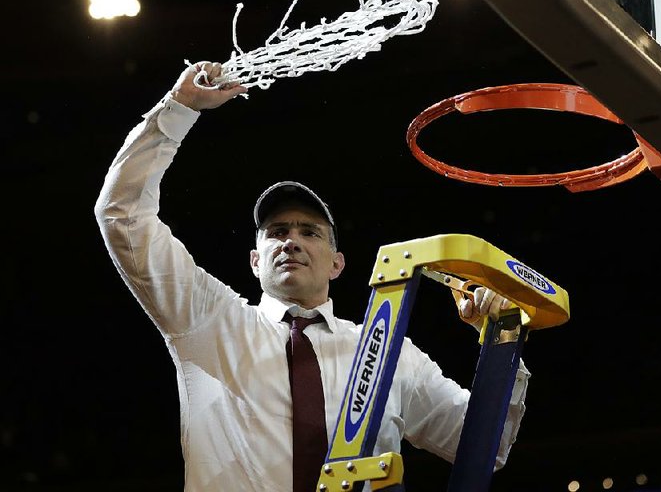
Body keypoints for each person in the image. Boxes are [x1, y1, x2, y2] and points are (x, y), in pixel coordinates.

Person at [94, 61, 531, 492]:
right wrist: (178, 109)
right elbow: (122, 215)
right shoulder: (209, 320)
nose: (292, 242)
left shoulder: (388, 353)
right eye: (277, 232)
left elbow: (484, 449)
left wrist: (503, 343)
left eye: (309, 232)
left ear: (337, 263)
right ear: (254, 260)